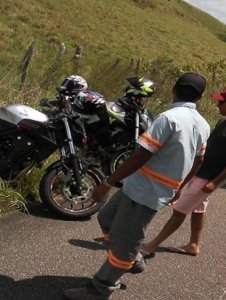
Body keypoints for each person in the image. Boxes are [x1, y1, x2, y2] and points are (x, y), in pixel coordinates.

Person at [63, 72, 210, 300]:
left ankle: (101, 287)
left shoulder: (168, 118)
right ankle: (131, 259)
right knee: (107, 219)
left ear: (174, 88)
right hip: (141, 185)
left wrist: (108, 182)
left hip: (146, 192)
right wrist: (180, 186)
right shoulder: (203, 125)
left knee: (126, 242)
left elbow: (141, 155)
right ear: (200, 97)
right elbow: (198, 159)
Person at [139, 87, 226, 258]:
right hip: (201, 172)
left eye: (222, 102)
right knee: (198, 209)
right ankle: (194, 245)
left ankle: (151, 246)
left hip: (209, 177)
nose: (218, 104)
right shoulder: (224, 121)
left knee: (179, 212)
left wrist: (215, 182)